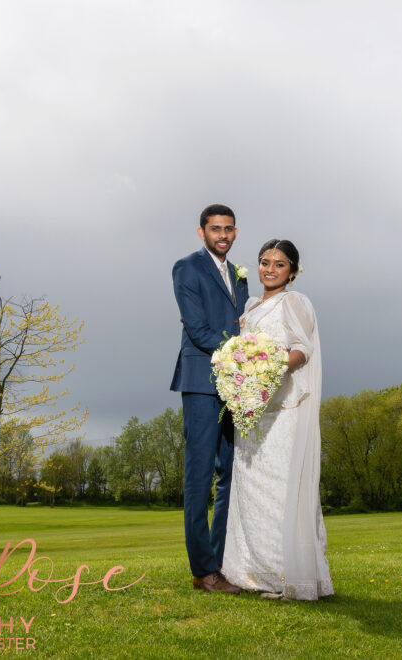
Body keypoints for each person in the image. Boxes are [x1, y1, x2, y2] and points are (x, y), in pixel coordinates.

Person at [221, 239, 334, 601]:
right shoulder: (251, 307)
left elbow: (303, 349)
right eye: (264, 262)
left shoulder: (296, 302)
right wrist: (241, 370)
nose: (270, 269)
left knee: (281, 491)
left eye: (279, 264)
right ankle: (252, 573)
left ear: (292, 271)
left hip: (282, 409)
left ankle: (289, 575)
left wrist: (269, 366)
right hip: (251, 410)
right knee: (250, 492)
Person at [171, 204, 250, 594]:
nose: (223, 235)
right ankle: (203, 571)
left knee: (231, 474)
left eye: (229, 229)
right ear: (201, 232)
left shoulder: (239, 275)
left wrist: (253, 359)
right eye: (215, 228)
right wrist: (243, 354)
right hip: (203, 381)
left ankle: (220, 563)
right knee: (199, 477)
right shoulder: (186, 267)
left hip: (236, 385)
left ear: (236, 233)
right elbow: (198, 328)